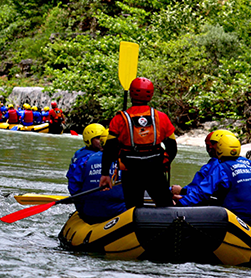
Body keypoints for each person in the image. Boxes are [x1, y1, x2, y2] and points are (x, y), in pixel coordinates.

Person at [99, 77, 178, 209]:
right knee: (165, 204)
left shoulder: (119, 119)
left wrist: (105, 173)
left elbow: (109, 148)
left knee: (134, 207)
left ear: (131, 94)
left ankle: (134, 227)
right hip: (155, 170)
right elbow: (172, 147)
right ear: (151, 95)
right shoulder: (161, 117)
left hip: (131, 171)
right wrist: (165, 163)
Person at [175, 134, 251, 226]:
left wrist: (180, 204)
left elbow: (201, 192)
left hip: (232, 217)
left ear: (219, 150)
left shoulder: (221, 168)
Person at [67, 124, 126, 223]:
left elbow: (73, 187)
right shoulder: (125, 160)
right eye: (97, 138)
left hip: (90, 212)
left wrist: (81, 207)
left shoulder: (83, 160)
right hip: (119, 211)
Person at [170, 130, 235, 206]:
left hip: (225, 208)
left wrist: (182, 195)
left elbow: (202, 191)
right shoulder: (249, 164)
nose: (209, 148)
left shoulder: (218, 166)